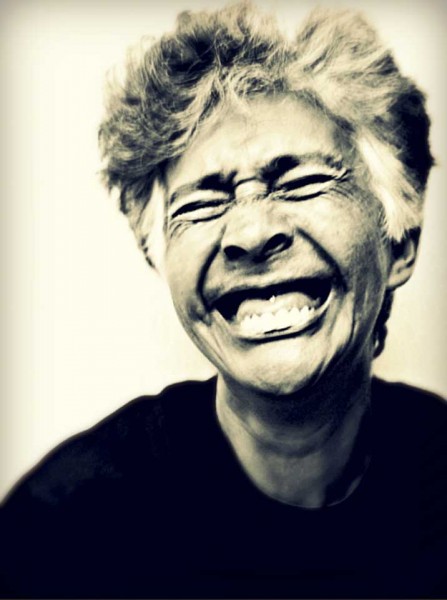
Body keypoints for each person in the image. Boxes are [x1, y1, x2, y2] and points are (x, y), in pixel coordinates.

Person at [1, 2, 446, 598]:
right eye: (202, 204)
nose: (251, 233)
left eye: (302, 182)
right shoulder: (63, 530)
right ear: (160, 260)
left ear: (400, 244)